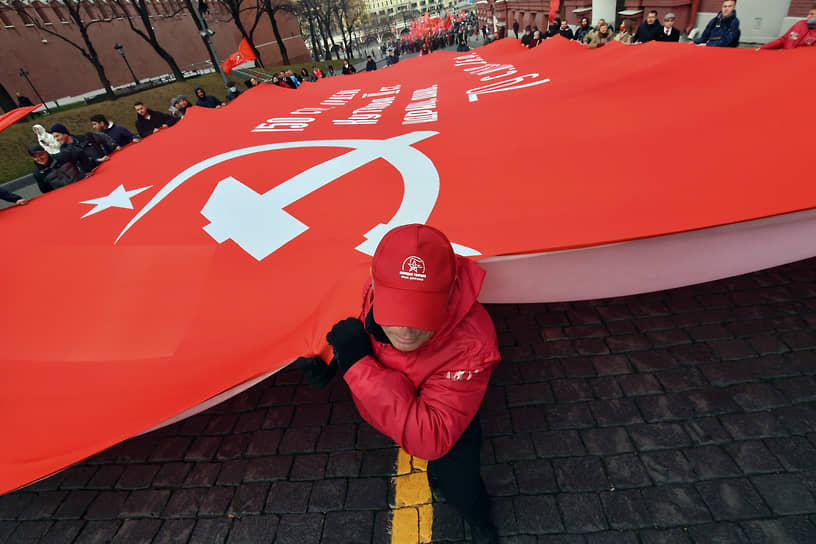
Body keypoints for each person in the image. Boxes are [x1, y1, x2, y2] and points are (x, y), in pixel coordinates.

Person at [296, 224, 501, 544]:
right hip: (404, 404)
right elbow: (340, 321)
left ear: (450, 293)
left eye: (422, 313)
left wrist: (357, 365)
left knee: (461, 485)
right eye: (397, 308)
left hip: (451, 425)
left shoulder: (474, 344)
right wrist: (329, 358)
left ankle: (479, 518)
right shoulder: (364, 290)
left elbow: (432, 437)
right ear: (376, 287)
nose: (406, 331)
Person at [50, 122, 118, 174]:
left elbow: (103, 137)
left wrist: (114, 146)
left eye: (57, 136)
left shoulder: (86, 137)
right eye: (54, 137)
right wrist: (97, 161)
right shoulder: (64, 151)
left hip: (107, 166)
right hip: (93, 174)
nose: (56, 139)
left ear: (65, 133)